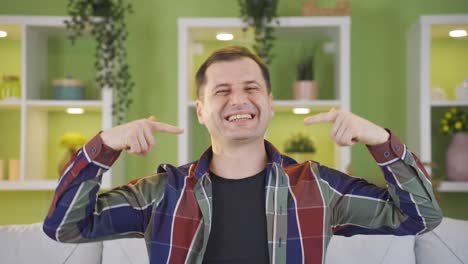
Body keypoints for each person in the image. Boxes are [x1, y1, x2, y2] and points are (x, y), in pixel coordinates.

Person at [43, 46, 442, 264]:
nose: (239, 100)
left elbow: (421, 216)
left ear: (269, 102)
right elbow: (64, 227)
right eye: (221, 91)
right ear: (200, 110)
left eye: (252, 88)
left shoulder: (317, 186)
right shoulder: (163, 192)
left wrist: (379, 140)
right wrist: (104, 147)